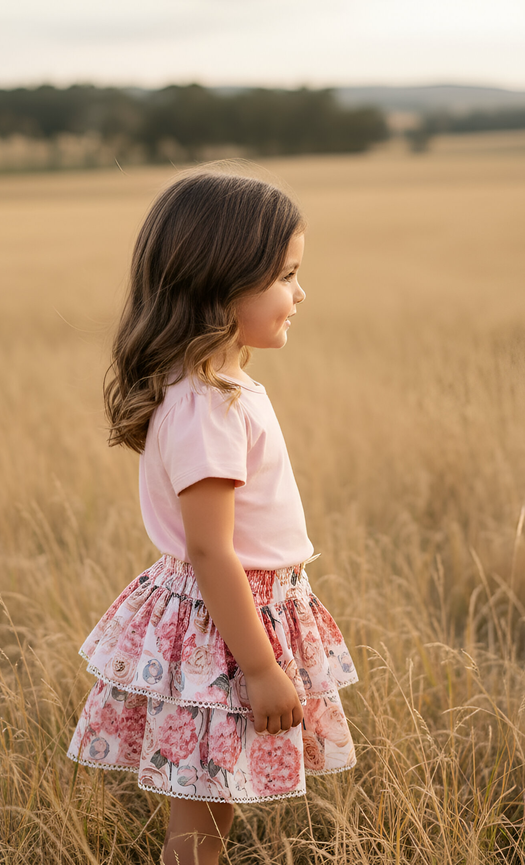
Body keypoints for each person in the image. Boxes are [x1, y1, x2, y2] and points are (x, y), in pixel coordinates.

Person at [67, 168, 358, 865]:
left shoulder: (216, 390)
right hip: (224, 629)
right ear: (220, 286)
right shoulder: (207, 407)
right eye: (286, 276)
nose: (300, 293)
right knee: (198, 829)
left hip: (225, 618)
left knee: (211, 805)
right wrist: (260, 667)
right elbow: (210, 551)